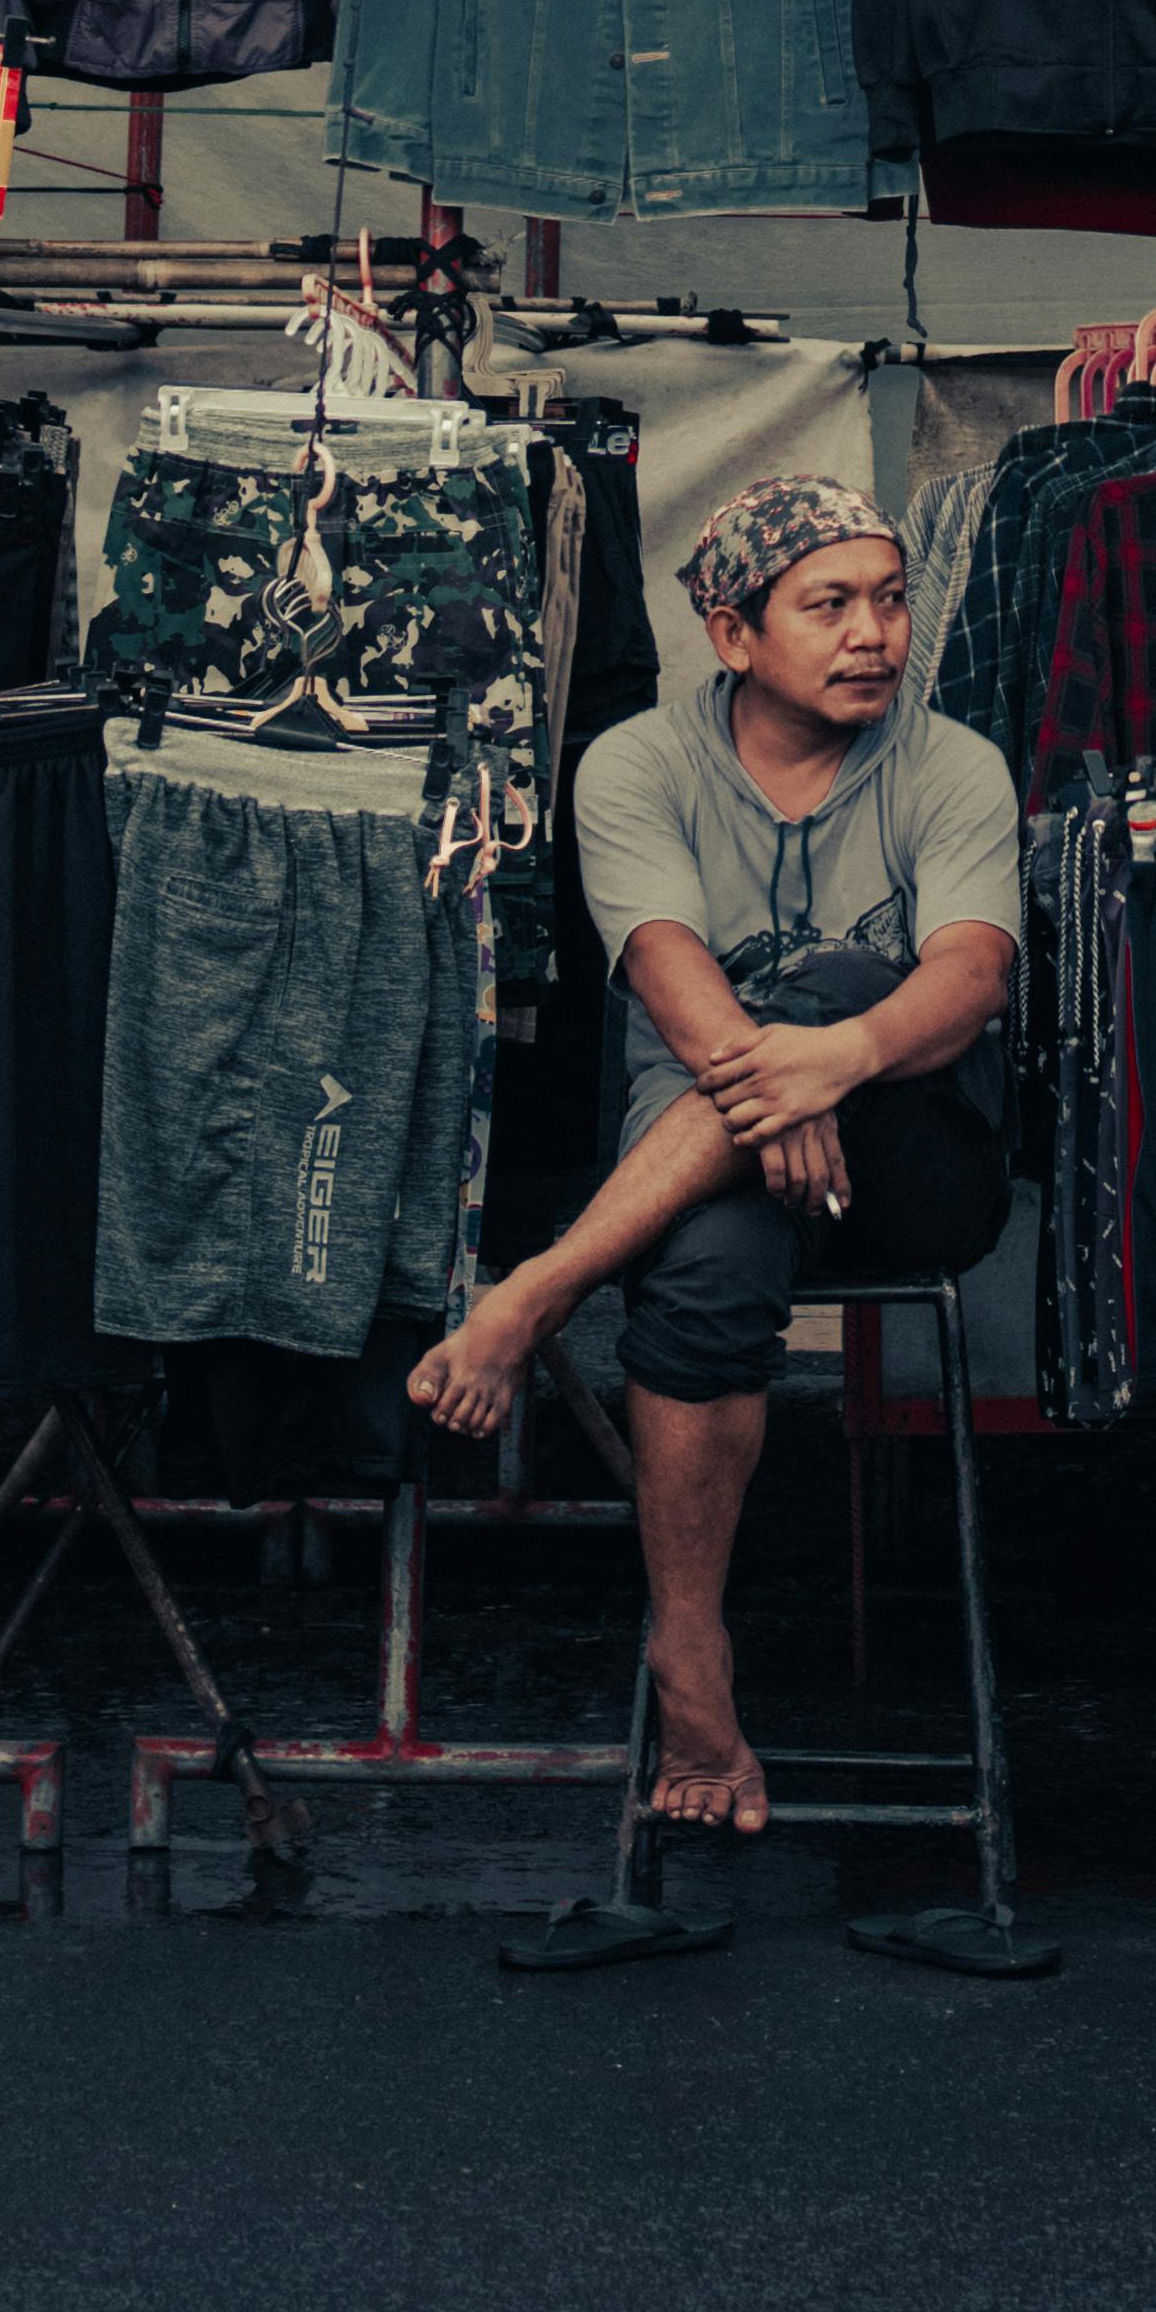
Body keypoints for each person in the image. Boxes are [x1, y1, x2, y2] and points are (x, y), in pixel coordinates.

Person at [408, 474, 1019, 1836]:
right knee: (699, 1277)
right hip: (709, 1177)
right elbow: (672, 975)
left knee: (844, 974)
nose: (873, 633)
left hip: (917, 1173)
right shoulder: (632, 762)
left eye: (889, 597)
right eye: (828, 604)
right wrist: (783, 1078)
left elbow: (969, 974)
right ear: (732, 632)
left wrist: (833, 1052)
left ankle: (543, 1288)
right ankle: (691, 1653)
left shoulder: (952, 763)